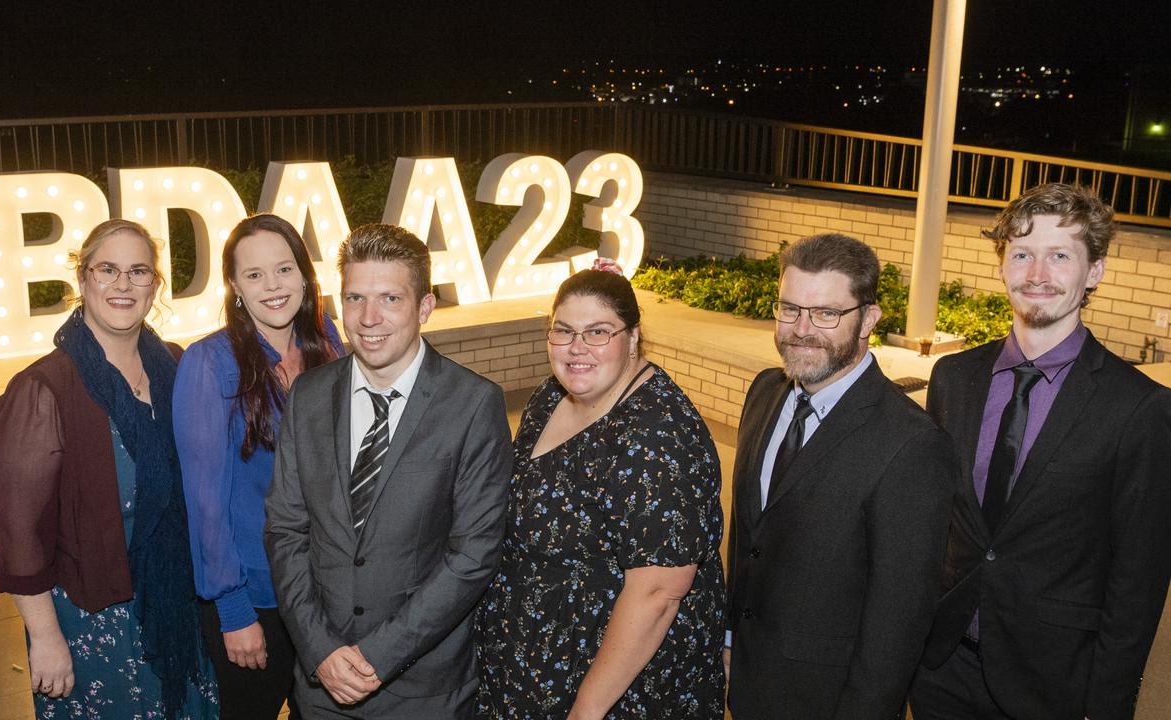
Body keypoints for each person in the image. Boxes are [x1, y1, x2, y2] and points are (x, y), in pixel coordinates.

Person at [909, 183, 1171, 720]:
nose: (1037, 275)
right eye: (1022, 254)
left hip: (1052, 683)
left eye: (1060, 256)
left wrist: (1108, 703)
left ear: (1093, 271)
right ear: (1002, 264)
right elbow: (933, 523)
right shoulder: (953, 378)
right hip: (940, 668)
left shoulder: (1139, 407)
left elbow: (1138, 580)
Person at [263, 223, 513, 718]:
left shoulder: (472, 403)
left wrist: (377, 655)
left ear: (424, 308)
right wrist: (321, 651)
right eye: (355, 298)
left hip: (422, 690)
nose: (369, 318)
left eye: (390, 299)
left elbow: (474, 554)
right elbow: (286, 531)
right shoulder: (307, 396)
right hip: (321, 686)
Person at [0, 219, 218, 719]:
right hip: (93, 621)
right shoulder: (44, 389)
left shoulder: (174, 367)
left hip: (174, 605)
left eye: (138, 272)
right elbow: (17, 531)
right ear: (82, 278)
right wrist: (45, 638)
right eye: (107, 269)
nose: (123, 284)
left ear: (155, 285)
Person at [476, 258, 726, 719]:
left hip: (612, 690)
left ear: (632, 338)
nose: (576, 347)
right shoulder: (552, 395)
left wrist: (586, 710)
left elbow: (658, 592)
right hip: (530, 669)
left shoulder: (658, 435)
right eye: (563, 331)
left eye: (597, 332)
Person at [725, 232, 958, 719]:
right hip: (747, 678)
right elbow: (749, 537)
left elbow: (899, 616)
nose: (802, 329)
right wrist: (730, 639)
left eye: (826, 314)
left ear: (868, 319)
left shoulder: (912, 443)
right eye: (789, 308)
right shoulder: (765, 391)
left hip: (829, 699)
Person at [174, 214, 345, 719]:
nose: (272, 286)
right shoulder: (210, 362)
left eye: (284, 269)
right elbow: (205, 504)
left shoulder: (328, 343)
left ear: (304, 276)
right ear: (234, 286)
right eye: (254, 275)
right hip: (257, 598)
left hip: (327, 593)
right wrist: (233, 610)